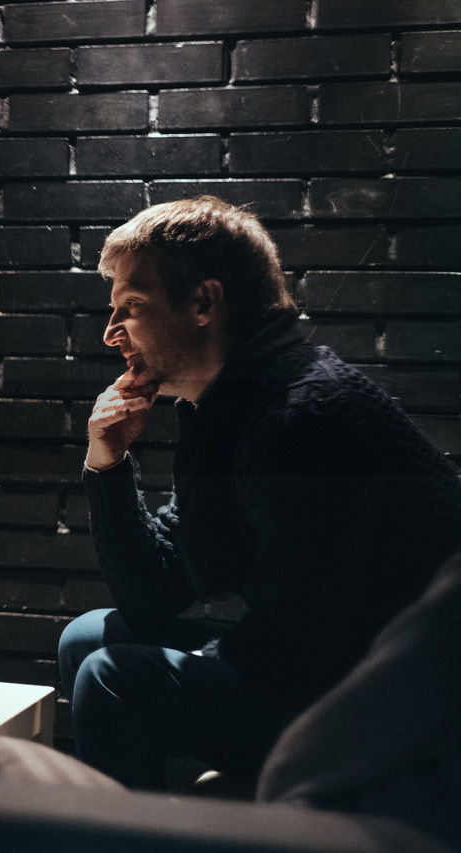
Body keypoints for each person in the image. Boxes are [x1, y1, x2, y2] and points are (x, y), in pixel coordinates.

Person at [60, 196, 461, 790]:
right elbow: (153, 594)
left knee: (114, 677)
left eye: (132, 308)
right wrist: (109, 461)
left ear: (203, 302)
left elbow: (309, 644)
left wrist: (201, 673)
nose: (111, 333)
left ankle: (135, 834)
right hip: (317, 663)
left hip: (388, 705)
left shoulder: (304, 416)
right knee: (89, 637)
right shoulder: (230, 407)